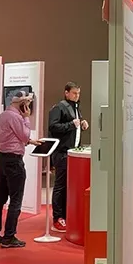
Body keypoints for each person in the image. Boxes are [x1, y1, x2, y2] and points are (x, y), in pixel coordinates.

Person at [0, 92, 41, 248]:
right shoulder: (17, 117)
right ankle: (9, 236)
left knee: (0, 198)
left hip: (1, 158)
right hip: (13, 161)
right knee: (15, 200)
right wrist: (27, 118)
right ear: (23, 104)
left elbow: (11, 137)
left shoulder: (3, 116)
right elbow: (24, 135)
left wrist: (30, 141)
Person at [48, 82, 89, 233]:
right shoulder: (59, 107)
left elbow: (73, 126)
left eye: (78, 93)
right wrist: (72, 125)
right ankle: (57, 218)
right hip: (62, 153)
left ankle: (65, 215)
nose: (76, 96)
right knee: (60, 185)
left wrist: (82, 124)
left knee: (67, 186)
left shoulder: (75, 108)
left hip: (72, 152)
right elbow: (53, 127)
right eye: (74, 93)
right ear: (66, 93)